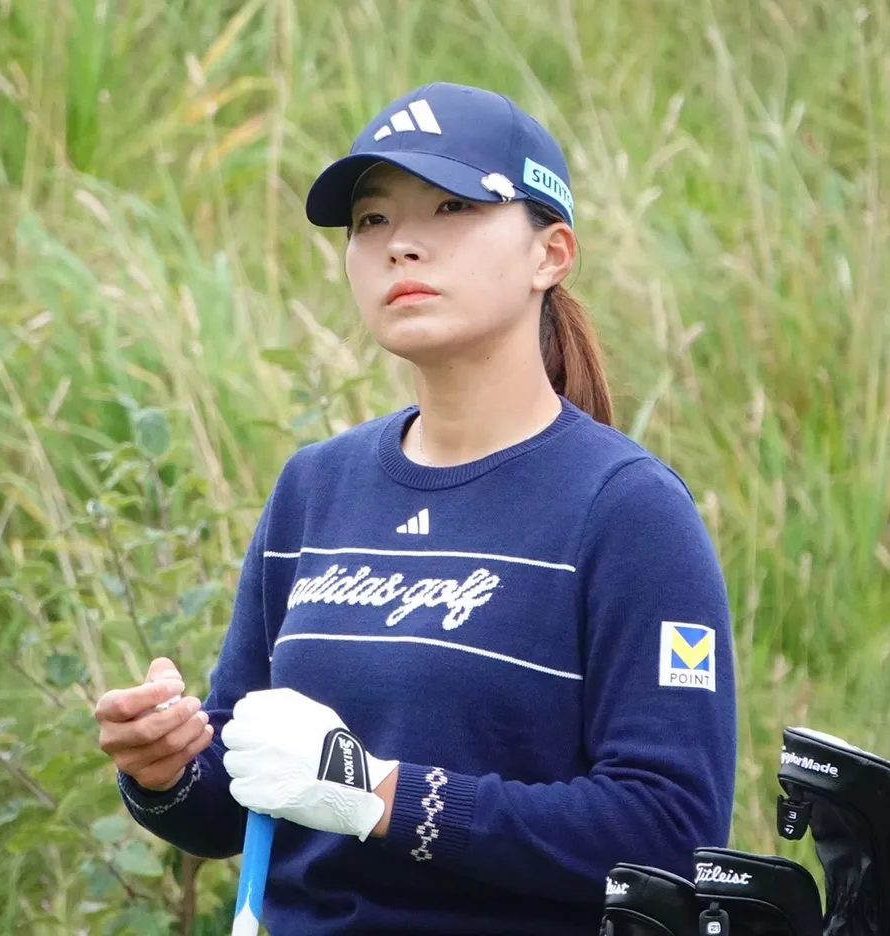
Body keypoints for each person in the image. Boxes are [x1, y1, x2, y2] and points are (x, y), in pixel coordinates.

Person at [94, 81, 738, 935]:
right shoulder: (315, 487)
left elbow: (670, 833)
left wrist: (379, 793)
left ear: (551, 254)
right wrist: (167, 769)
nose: (401, 244)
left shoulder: (629, 512)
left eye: (451, 207)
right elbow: (242, 796)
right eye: (371, 220)